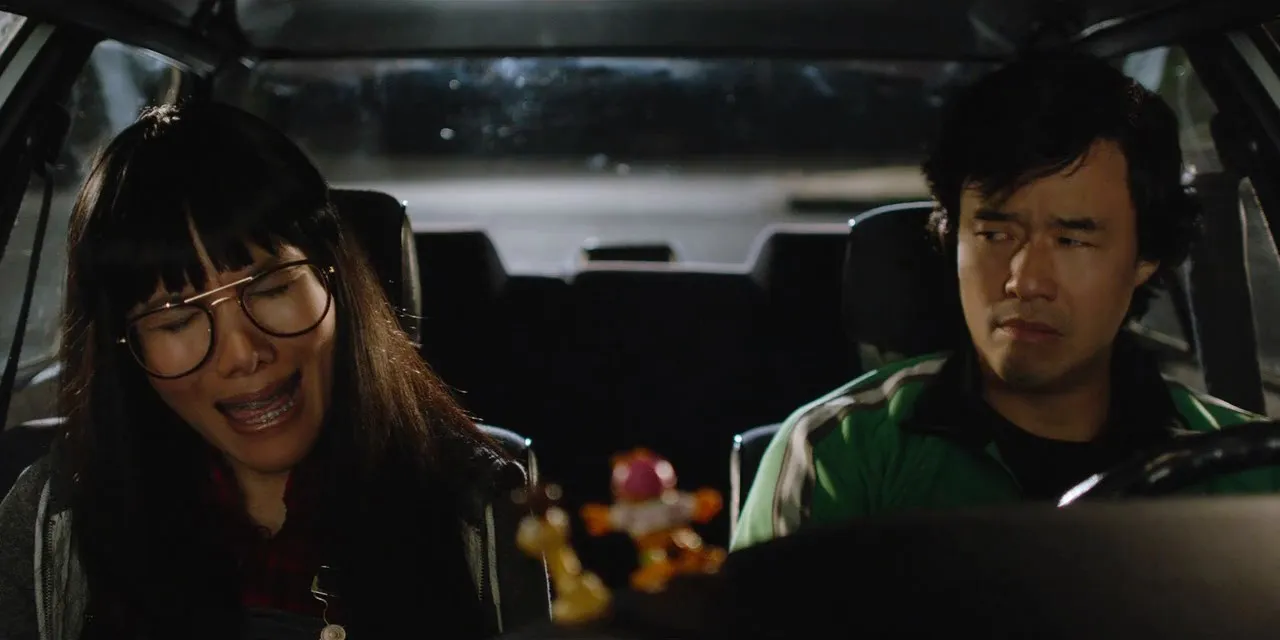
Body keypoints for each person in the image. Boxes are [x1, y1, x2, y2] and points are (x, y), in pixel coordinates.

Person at [0, 103, 550, 639]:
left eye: (271, 289)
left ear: (335, 281)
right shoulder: (55, 519)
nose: (242, 354)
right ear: (126, 347)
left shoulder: (483, 502)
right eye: (176, 321)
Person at [732, 54, 1280, 550]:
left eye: (1072, 240)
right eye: (995, 234)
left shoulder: (1246, 469)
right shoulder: (841, 454)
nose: (1025, 280)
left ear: (1146, 256)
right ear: (953, 238)